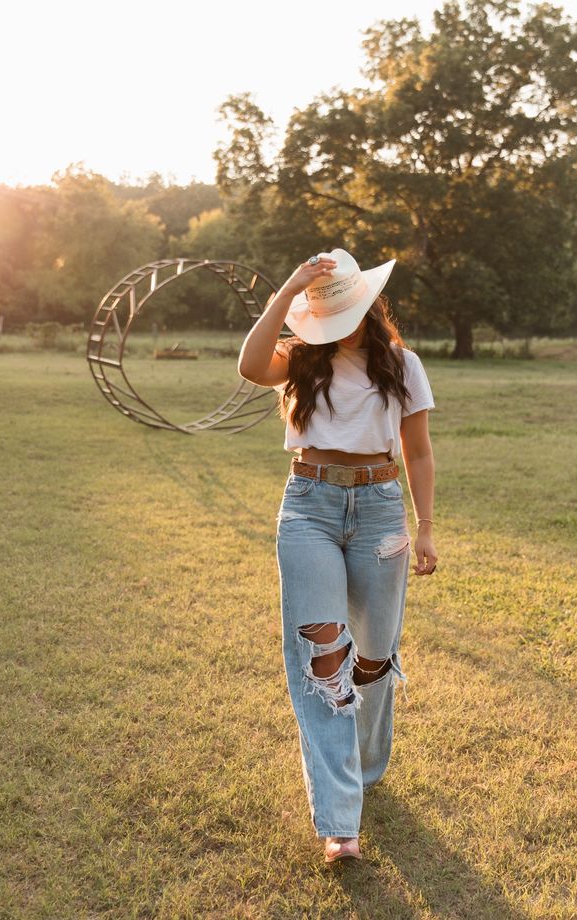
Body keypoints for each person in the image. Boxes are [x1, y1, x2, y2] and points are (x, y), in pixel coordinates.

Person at [237, 248, 437, 864]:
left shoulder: (403, 364)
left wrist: (425, 527)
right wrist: (291, 285)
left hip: (380, 510)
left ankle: (365, 765)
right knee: (323, 658)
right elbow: (249, 365)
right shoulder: (299, 358)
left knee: (373, 656)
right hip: (308, 509)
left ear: (367, 305)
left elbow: (420, 452)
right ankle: (340, 821)